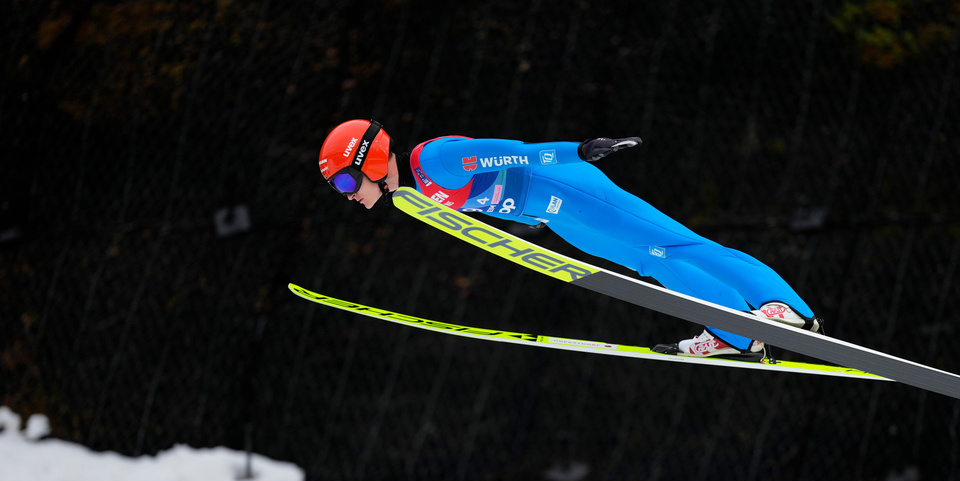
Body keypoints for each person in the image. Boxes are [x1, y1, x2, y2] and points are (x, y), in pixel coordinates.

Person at [318, 119, 821, 358]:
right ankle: (738, 335)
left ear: (373, 161)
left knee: (681, 246)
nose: (346, 194)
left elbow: (518, 153)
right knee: (655, 266)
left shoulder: (434, 162)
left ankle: (785, 308)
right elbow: (494, 194)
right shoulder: (417, 196)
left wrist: (578, 150)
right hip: (562, 219)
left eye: (345, 181)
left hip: (574, 192)